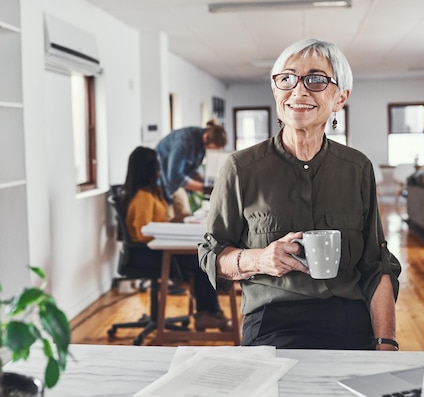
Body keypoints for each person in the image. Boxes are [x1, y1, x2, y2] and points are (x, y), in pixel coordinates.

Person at [198, 39, 402, 350]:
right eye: (287, 78)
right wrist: (260, 259)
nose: (299, 90)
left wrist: (386, 343)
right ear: (275, 90)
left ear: (340, 97)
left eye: (317, 79)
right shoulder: (241, 168)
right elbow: (211, 255)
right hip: (272, 321)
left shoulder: (357, 168)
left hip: (350, 317)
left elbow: (377, 265)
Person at [122, 146, 231, 331]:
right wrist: (170, 228)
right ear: (149, 169)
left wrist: (173, 222)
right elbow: (143, 233)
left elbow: (155, 222)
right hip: (145, 254)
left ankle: (210, 312)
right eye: (157, 166)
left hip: (151, 250)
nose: (160, 170)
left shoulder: (150, 194)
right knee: (202, 262)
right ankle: (208, 314)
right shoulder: (143, 198)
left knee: (202, 259)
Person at [155, 119, 228, 221]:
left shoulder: (202, 143)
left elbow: (192, 170)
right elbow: (175, 176)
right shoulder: (184, 141)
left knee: (185, 215)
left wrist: (207, 181)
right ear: (206, 138)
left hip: (175, 182)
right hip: (163, 181)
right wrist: (205, 189)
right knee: (169, 217)